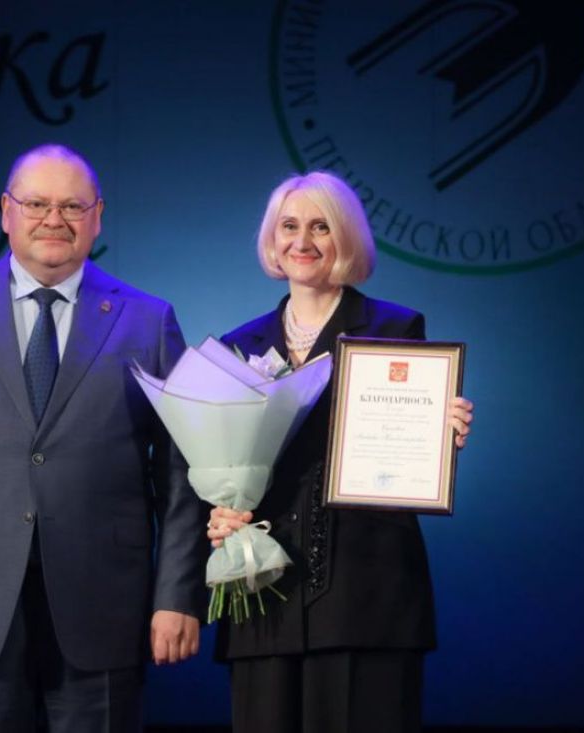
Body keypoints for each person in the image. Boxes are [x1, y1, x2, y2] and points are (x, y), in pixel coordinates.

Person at [0, 144, 205, 733]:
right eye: (37, 204)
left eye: (73, 206)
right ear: (6, 211)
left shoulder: (148, 321)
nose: (55, 219)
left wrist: (176, 594)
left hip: (106, 603)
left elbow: (182, 469)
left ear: (98, 217)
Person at [207, 171, 474, 733]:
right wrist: (221, 509)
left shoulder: (395, 328)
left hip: (366, 594)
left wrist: (439, 434)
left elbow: (405, 447)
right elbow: (219, 463)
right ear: (272, 238)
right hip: (263, 592)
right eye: (289, 226)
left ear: (346, 237)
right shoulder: (237, 344)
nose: (302, 241)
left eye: (321, 227)